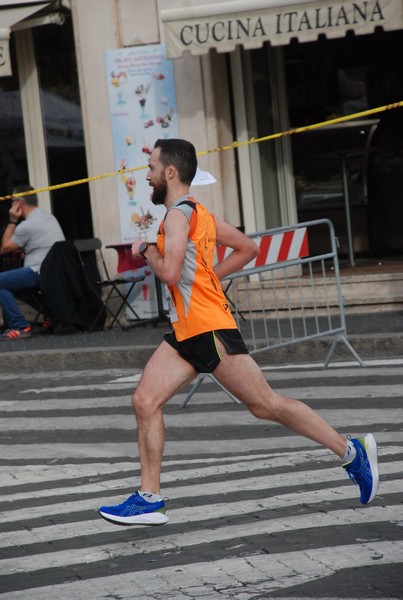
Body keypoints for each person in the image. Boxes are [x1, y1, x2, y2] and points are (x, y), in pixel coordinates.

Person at [98, 138, 379, 526]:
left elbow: (171, 272)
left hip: (208, 327)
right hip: (188, 330)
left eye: (150, 168)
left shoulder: (178, 217)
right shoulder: (199, 214)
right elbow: (247, 248)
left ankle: (351, 451)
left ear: (170, 172)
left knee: (265, 405)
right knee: (145, 401)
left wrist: (146, 251)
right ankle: (149, 498)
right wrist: (209, 276)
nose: (146, 176)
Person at [0, 184, 65, 340]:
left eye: (12, 202)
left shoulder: (27, 225)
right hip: (52, 270)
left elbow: (5, 246)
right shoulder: (48, 217)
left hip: (38, 270)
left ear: (18, 203)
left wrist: (12, 220)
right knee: (13, 287)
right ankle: (50, 314)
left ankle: (19, 326)